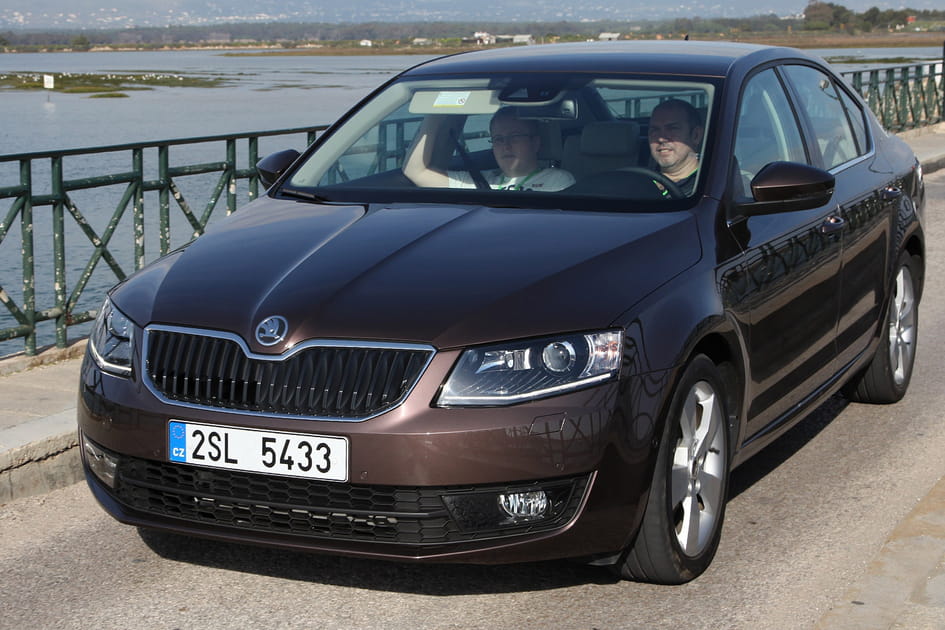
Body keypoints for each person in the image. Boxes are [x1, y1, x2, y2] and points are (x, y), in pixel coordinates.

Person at [403, 107, 574, 191]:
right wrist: (435, 112)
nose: (506, 145)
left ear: (535, 143)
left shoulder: (557, 180)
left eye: (514, 137)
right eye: (498, 139)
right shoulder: (475, 181)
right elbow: (415, 172)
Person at [647, 99, 704, 196]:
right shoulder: (638, 181)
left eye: (672, 128)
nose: (661, 138)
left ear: (696, 136)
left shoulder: (708, 188)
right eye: (655, 130)